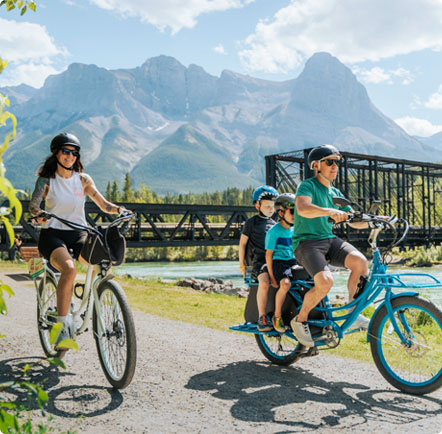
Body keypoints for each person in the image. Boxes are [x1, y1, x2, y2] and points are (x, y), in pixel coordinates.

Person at [29, 132, 127, 348]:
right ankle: (62, 328)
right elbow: (34, 205)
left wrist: (120, 210)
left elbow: (103, 204)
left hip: (78, 233)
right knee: (69, 269)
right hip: (53, 234)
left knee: (100, 259)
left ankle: (88, 296)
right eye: (66, 151)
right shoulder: (46, 180)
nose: (70, 156)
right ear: (56, 153)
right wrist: (39, 214)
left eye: (74, 152)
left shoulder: (83, 179)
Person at [290, 144, 370, 347]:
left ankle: (353, 313)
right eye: (330, 162)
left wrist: (376, 220)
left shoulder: (335, 192)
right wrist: (328, 211)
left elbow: (354, 220)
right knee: (325, 282)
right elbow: (303, 208)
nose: (335, 166)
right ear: (316, 165)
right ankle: (300, 320)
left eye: (337, 162)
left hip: (328, 239)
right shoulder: (307, 186)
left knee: (360, 262)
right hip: (306, 242)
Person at [239, 185, 278, 331]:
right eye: (267, 206)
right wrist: (242, 265)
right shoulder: (251, 222)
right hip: (259, 262)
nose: (270, 209)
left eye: (272, 207)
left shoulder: (274, 224)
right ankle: (262, 317)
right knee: (264, 282)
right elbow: (242, 244)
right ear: (258, 205)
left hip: (273, 261)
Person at [264, 193, 297, 333]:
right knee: (285, 284)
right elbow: (269, 255)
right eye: (293, 211)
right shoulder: (274, 232)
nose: (296, 215)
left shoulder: (295, 229)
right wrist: (272, 277)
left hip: (293, 261)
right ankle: (277, 317)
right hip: (280, 262)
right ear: (281, 213)